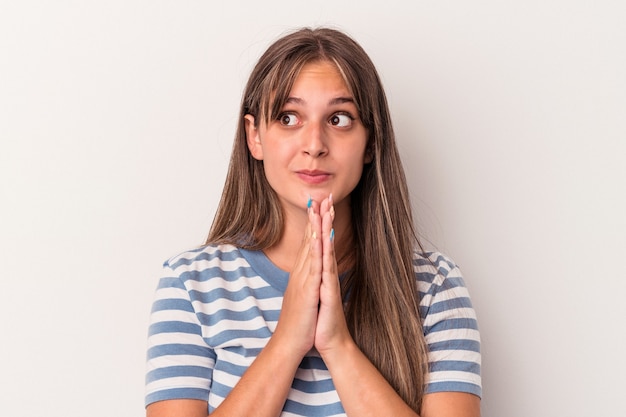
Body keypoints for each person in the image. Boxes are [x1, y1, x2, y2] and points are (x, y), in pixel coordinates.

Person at [145, 27, 481, 417]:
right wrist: (288, 339)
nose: (315, 144)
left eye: (339, 119)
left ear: (371, 141)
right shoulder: (191, 285)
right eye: (289, 117)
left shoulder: (435, 288)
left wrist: (338, 346)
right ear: (255, 136)